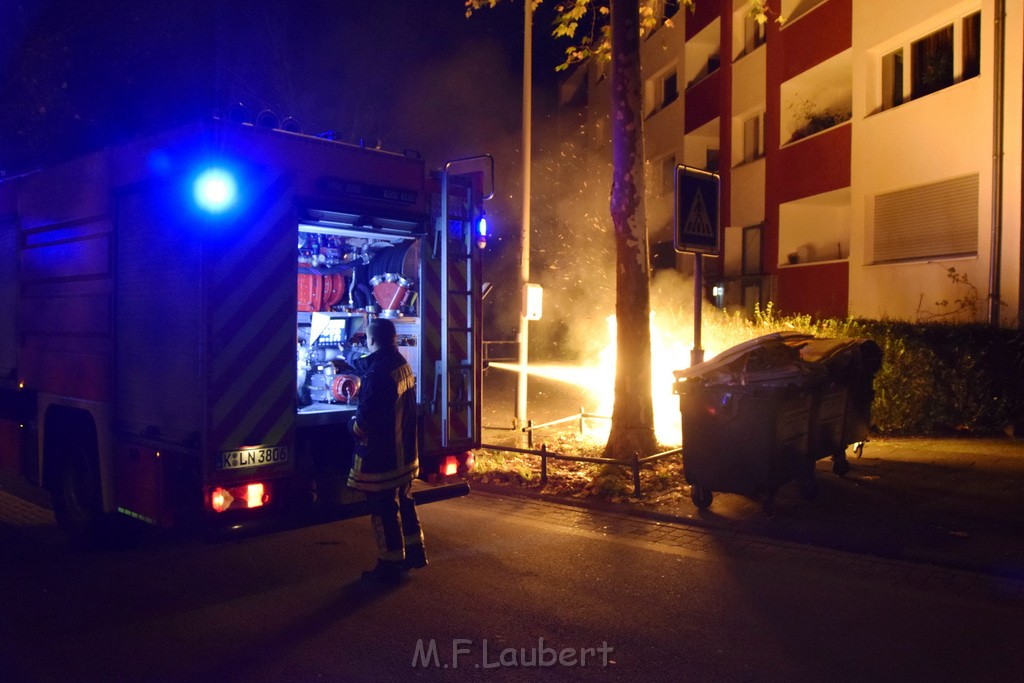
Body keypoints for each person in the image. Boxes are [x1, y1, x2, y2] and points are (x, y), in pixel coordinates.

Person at [348, 317, 427, 584]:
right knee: (404, 502)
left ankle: (389, 565)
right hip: (403, 453)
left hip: (382, 456)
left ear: (371, 341)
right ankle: (414, 554)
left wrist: (354, 429)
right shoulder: (400, 364)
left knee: (383, 511)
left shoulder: (378, 373)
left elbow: (367, 418)